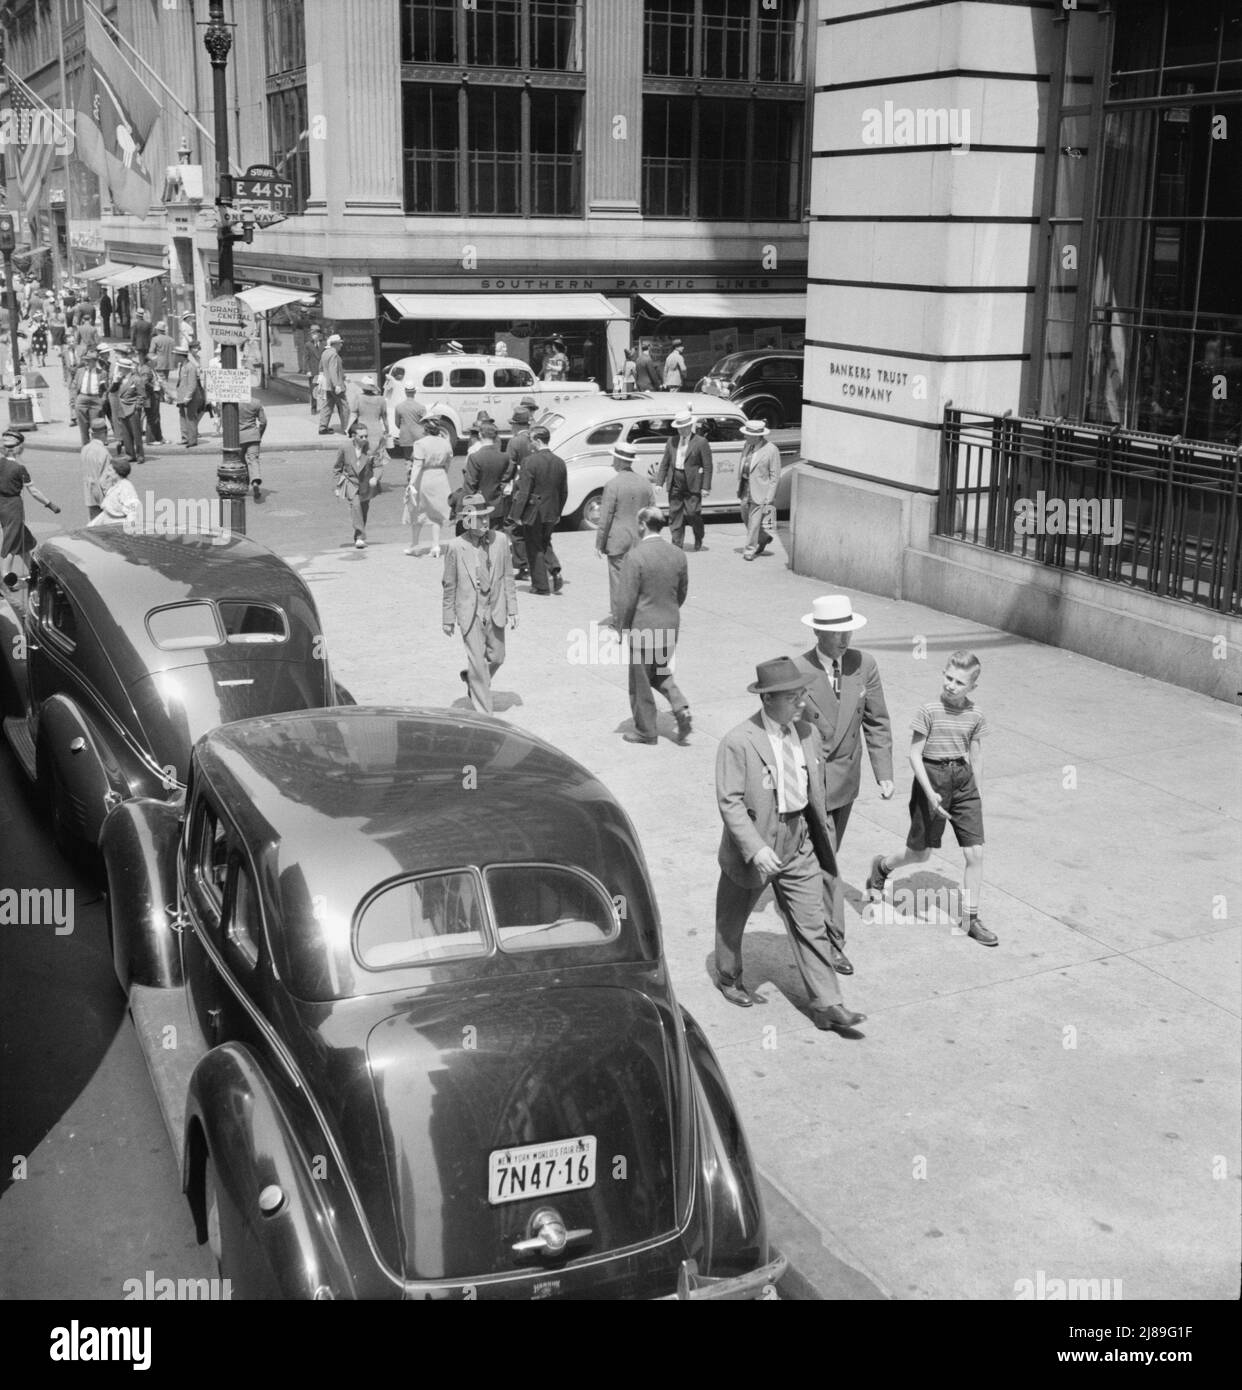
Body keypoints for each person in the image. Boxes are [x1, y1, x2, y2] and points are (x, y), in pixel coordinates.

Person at [713, 656, 866, 1034]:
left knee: (810, 922)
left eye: (802, 693)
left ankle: (828, 1004)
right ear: (768, 700)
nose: (802, 702)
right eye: (793, 696)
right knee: (733, 919)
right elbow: (730, 801)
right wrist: (754, 847)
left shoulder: (808, 733)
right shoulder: (738, 741)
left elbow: (817, 787)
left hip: (799, 842)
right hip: (757, 843)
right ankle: (729, 976)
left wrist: (821, 831)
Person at [793, 594, 894, 975]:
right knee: (827, 862)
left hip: (847, 783)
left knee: (823, 858)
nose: (844, 638)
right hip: (812, 786)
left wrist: (884, 771)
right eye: (835, 632)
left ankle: (815, 920)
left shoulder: (864, 665)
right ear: (817, 630)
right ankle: (833, 942)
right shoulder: (798, 669)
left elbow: (877, 720)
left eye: (848, 630)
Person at [866, 652, 995, 946]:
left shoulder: (975, 715)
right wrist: (930, 792)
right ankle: (882, 867)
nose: (951, 685)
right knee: (921, 855)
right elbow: (914, 754)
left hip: (963, 782)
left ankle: (970, 918)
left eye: (959, 682)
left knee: (976, 853)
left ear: (971, 687)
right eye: (948, 678)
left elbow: (976, 755)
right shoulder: (929, 711)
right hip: (931, 778)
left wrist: (978, 795)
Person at [616, 507, 691, 746]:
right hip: (669, 625)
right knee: (659, 671)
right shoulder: (678, 554)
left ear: (641, 525)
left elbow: (627, 599)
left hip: (643, 627)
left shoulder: (635, 557)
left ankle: (646, 731)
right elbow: (682, 592)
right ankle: (680, 705)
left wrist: (622, 627)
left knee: (639, 682)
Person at [442, 492, 518, 716]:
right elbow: (449, 585)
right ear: (467, 520)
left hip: (494, 609)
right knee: (477, 661)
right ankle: (486, 715)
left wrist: (513, 608)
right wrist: (448, 619)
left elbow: (508, 577)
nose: (486, 522)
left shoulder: (501, 541)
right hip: (470, 613)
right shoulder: (456, 547)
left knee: (498, 657)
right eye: (479, 518)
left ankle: (473, 680)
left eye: (487, 517)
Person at [595, 441, 654, 625]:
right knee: (638, 580)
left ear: (619, 460)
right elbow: (653, 513)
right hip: (640, 540)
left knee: (618, 582)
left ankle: (620, 620)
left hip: (618, 541)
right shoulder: (645, 483)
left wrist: (599, 544)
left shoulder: (613, 484)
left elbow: (605, 518)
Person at [511, 423, 567, 595]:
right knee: (544, 541)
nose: (529, 443)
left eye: (531, 439)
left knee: (534, 546)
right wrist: (558, 512)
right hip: (552, 510)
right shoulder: (559, 462)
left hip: (533, 511)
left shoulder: (530, 461)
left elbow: (524, 491)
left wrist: (516, 514)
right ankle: (554, 568)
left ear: (537, 440)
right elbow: (563, 491)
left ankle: (541, 585)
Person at [0, 430, 60, 586]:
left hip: (2, 504)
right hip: (13, 506)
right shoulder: (20, 468)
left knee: (23, 539)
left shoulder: (1, 463)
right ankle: (6, 577)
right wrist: (49, 504)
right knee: (12, 540)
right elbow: (33, 491)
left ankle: (33, 572)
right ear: (18, 448)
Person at [655, 409, 712, 551]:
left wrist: (705, 487)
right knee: (675, 514)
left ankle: (699, 536)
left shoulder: (701, 442)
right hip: (675, 482)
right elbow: (665, 463)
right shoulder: (671, 441)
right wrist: (659, 483)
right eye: (679, 427)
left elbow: (707, 466)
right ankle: (677, 544)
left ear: (690, 426)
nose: (681, 430)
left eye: (684, 427)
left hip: (693, 483)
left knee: (692, 513)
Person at [404, 417, 452, 558]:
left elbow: (417, 465)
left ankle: (414, 545)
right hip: (440, 476)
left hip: (424, 477)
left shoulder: (420, 443)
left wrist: (411, 483)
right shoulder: (445, 443)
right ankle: (436, 545)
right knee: (436, 513)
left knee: (417, 510)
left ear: (425, 429)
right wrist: (442, 474)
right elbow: (449, 461)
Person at [738, 418, 781, 559]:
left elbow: (775, 475)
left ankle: (750, 550)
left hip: (760, 491)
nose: (745, 436)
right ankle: (763, 537)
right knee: (745, 516)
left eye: (748, 434)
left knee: (754, 521)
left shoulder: (771, 450)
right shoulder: (747, 445)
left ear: (757, 436)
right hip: (745, 488)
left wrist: (770, 496)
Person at [333, 423, 380, 549]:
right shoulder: (344, 448)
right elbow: (337, 468)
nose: (365, 439)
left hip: (366, 484)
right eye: (361, 436)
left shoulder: (371, 448)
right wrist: (337, 486)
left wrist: (375, 477)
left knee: (363, 510)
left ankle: (358, 535)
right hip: (351, 483)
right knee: (356, 506)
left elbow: (378, 466)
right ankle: (360, 537)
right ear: (353, 436)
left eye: (366, 436)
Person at [462, 422, 510, 520]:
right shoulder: (504, 457)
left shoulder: (475, 457)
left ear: (480, 435)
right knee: (497, 534)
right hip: (498, 505)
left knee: (478, 534)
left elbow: (470, 485)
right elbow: (506, 479)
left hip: (479, 506)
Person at [90, 457, 142, 530]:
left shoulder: (126, 487)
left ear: (117, 472)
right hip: (108, 521)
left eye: (110, 470)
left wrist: (130, 529)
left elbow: (133, 510)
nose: (107, 473)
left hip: (117, 526)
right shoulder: (115, 484)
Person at [170, 344, 205, 447]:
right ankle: (185, 437)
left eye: (176, 355)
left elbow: (192, 384)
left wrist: (188, 396)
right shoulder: (182, 366)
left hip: (189, 398)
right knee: (182, 418)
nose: (174, 357)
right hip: (182, 397)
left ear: (181, 356)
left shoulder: (190, 367)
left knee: (190, 419)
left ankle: (192, 440)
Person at [81, 417, 115, 521]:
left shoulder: (85, 449)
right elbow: (105, 480)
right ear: (104, 433)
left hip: (89, 495)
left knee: (93, 526)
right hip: (101, 497)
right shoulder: (103, 452)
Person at [72, 348, 108, 445]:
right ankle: (85, 446)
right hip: (82, 398)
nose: (86, 362)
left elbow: (105, 389)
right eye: (85, 360)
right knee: (83, 426)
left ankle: (96, 447)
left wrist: (102, 400)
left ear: (95, 361)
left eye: (89, 360)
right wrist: (75, 399)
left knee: (96, 426)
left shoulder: (102, 373)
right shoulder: (80, 371)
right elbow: (74, 386)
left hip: (95, 400)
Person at [115, 355, 146, 463]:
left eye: (120, 368)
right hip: (122, 408)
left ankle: (140, 454)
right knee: (126, 433)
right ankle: (129, 454)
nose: (119, 369)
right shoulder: (121, 379)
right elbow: (112, 390)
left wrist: (137, 407)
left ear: (126, 368)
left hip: (132, 408)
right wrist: (115, 381)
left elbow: (141, 394)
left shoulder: (136, 379)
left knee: (136, 433)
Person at [318, 332, 348, 435]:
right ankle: (346, 427)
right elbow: (333, 370)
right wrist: (337, 385)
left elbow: (321, 368)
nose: (341, 345)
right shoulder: (334, 354)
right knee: (344, 406)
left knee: (327, 406)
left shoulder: (325, 353)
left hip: (326, 385)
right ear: (335, 344)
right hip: (335, 385)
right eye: (340, 343)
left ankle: (323, 426)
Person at [239, 394, 268, 500]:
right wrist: (259, 434)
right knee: (253, 459)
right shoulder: (256, 402)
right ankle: (255, 481)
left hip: (239, 436)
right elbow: (263, 422)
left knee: (241, 461)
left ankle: (245, 483)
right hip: (253, 435)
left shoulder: (234, 403)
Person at [392, 383, 426, 463]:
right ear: (415, 392)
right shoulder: (421, 407)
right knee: (419, 459)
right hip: (419, 436)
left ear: (405, 392)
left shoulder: (399, 407)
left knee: (408, 459)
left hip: (406, 436)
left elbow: (397, 423)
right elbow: (425, 423)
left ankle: (409, 474)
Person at [305, 323, 325, 412]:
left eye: (315, 333)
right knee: (314, 390)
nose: (313, 335)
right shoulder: (308, 345)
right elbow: (306, 358)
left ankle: (325, 408)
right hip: (313, 371)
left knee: (324, 390)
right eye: (312, 334)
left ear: (319, 334)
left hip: (322, 371)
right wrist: (308, 370)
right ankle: (313, 408)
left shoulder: (324, 344)